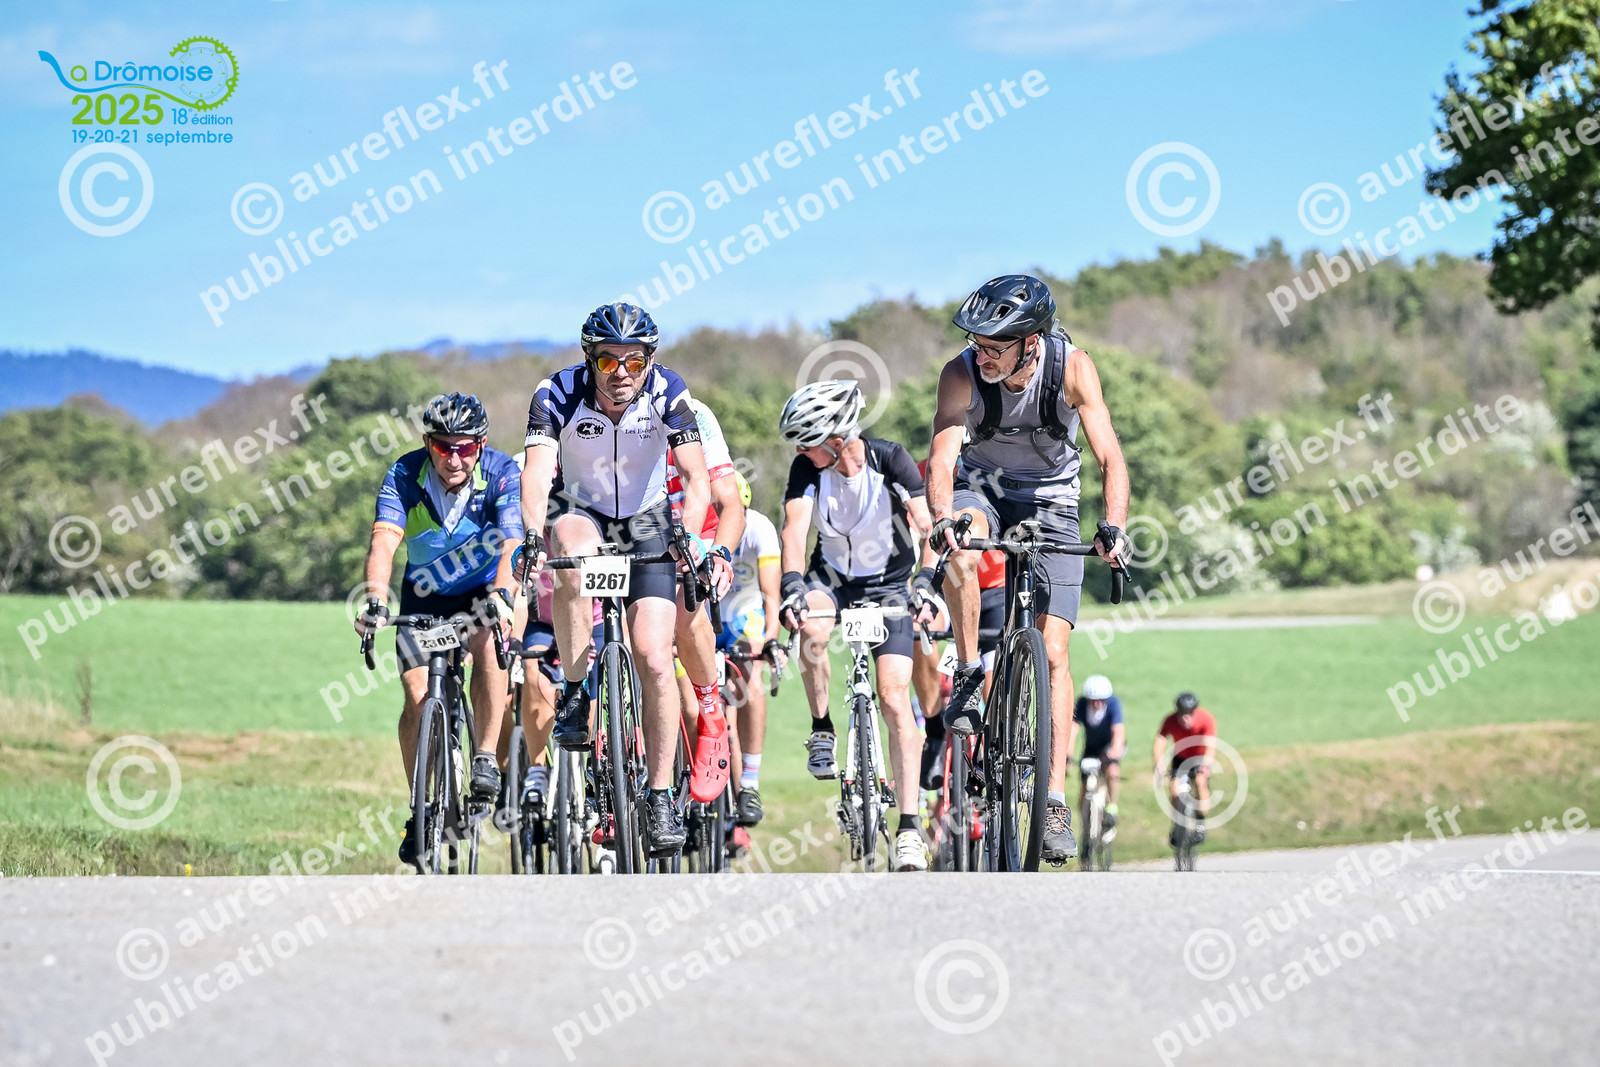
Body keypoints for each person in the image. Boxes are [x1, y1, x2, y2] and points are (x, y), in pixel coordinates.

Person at [921, 273, 1131, 865]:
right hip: (982, 490)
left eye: (995, 346)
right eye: (978, 343)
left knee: (1055, 652)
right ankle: (969, 673)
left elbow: (1110, 457)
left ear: (1031, 342)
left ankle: (1054, 801)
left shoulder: (1072, 368)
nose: (982, 354)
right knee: (963, 549)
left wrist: (1113, 526)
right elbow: (941, 460)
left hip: (1053, 500)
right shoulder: (961, 373)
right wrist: (943, 518)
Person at [519, 302, 717, 858]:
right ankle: (575, 689)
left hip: (647, 520)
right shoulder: (555, 393)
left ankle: (660, 796)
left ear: (649, 360)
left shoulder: (669, 391)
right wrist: (532, 533)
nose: (622, 373)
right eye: (609, 361)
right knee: (570, 554)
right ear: (591, 360)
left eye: (634, 361)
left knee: (654, 657)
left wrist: (691, 533)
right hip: (581, 509)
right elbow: (537, 472)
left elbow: (696, 476)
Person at [354, 392, 522, 867]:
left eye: (464, 448)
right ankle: (421, 808)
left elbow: (512, 542)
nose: (454, 458)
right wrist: (375, 599)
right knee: (416, 697)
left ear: (480, 445)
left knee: (488, 642)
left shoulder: (502, 472)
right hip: (424, 592)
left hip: (483, 588)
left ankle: (485, 756)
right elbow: (384, 542)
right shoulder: (404, 474)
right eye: (443, 446)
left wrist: (503, 596)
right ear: (428, 443)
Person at [777, 379, 933, 872]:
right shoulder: (808, 469)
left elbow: (927, 525)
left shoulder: (891, 460)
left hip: (890, 584)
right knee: (811, 629)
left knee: (894, 698)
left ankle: (909, 828)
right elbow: (795, 529)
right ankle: (822, 727)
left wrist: (926, 581)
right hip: (832, 580)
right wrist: (791, 585)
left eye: (806, 442)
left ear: (836, 440)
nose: (799, 452)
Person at [719, 470, 784, 827]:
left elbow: (771, 596)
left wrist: (771, 639)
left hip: (745, 613)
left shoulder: (760, 528)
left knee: (749, 681)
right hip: (707, 614)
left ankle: (749, 783)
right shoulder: (702, 525)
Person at [1153, 691, 1216, 842]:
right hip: (1180, 758)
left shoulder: (1206, 719)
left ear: (1195, 711)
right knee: (1175, 790)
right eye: (1182, 714)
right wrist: (1158, 762)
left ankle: (1200, 823)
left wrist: (1207, 764)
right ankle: (1177, 825)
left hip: (1199, 758)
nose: (1185, 718)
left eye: (1189, 714)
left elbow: (1211, 745)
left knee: (1200, 782)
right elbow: (1161, 739)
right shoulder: (1170, 720)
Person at [1073, 674, 1124, 826]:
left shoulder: (1113, 704)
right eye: (1093, 701)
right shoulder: (1082, 704)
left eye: (1101, 700)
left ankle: (1112, 807)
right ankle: (1083, 821)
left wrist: (1115, 752)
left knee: (1112, 772)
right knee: (1084, 787)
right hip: (1091, 748)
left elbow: (1118, 731)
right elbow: (1073, 729)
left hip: (1108, 748)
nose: (1097, 704)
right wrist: (1066, 756)